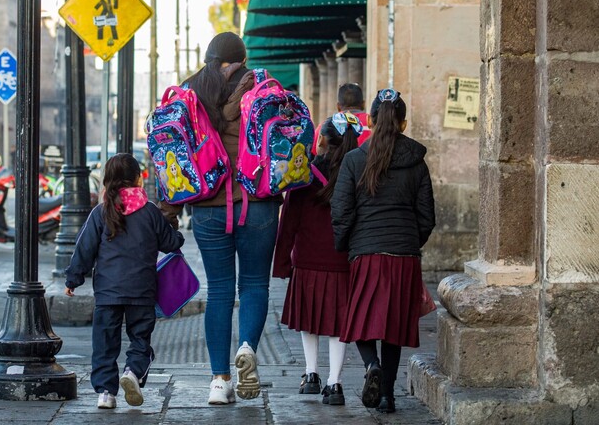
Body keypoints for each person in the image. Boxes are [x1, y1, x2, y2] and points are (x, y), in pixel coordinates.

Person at [160, 32, 282, 405]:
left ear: (211, 57)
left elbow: (174, 154)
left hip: (209, 209)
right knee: (255, 285)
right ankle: (246, 347)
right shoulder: (260, 85)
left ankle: (219, 380)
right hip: (258, 202)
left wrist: (169, 212)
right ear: (241, 60)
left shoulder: (190, 91)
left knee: (219, 291)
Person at [330, 88, 435, 414]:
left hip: (367, 252)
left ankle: (371, 365)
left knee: (360, 320)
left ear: (371, 121)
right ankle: (387, 396)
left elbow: (341, 210)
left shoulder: (354, 160)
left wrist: (347, 244)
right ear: (403, 123)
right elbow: (426, 216)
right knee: (394, 328)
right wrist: (409, 242)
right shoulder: (416, 163)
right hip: (404, 255)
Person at [65, 153, 184, 410]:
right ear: (139, 179)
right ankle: (132, 372)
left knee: (104, 345)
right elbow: (171, 243)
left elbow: (84, 248)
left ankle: (106, 393)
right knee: (140, 339)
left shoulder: (101, 211)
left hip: (108, 294)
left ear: (107, 180)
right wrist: (174, 227)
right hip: (142, 291)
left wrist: (73, 278)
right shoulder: (150, 211)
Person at [273, 112, 363, 406]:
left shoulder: (305, 174)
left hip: (308, 259)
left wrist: (282, 262)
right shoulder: (359, 173)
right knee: (338, 326)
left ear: (322, 139)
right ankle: (334, 383)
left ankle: (310, 374)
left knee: (309, 321)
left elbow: (289, 220)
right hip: (342, 261)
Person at [311, 83, 371, 156]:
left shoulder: (326, 127)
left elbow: (313, 153)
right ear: (363, 104)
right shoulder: (373, 123)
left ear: (338, 106)